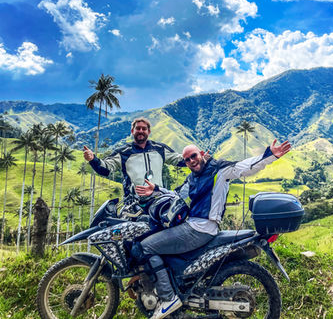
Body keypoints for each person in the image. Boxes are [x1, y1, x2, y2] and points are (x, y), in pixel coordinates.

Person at [139, 139, 291, 319]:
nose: (191, 161)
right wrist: (155, 190)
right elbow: (178, 194)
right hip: (193, 225)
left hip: (200, 228)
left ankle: (168, 298)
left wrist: (270, 155)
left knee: (146, 246)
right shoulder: (192, 178)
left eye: (193, 156)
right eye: (187, 159)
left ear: (202, 154)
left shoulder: (219, 170)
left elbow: (245, 167)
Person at [83, 117, 185, 200]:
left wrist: (197, 156)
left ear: (149, 132)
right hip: (134, 203)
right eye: (138, 128)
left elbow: (178, 159)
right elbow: (106, 169)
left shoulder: (159, 149)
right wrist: (93, 159)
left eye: (144, 129)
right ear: (132, 131)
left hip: (158, 198)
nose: (141, 131)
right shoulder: (123, 152)